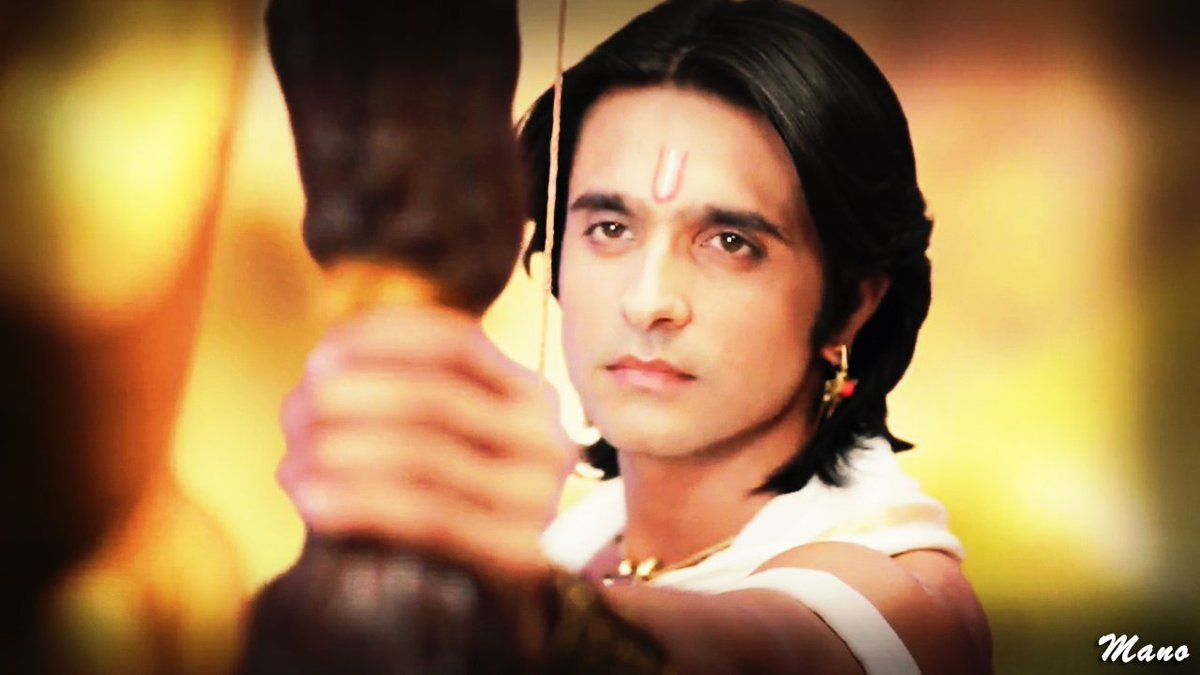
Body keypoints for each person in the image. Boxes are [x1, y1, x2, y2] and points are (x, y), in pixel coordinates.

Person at [276, 0, 992, 672]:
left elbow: (756, 643)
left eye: (730, 242)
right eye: (610, 228)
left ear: (850, 307)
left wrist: (512, 604)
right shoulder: (583, 540)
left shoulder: (901, 604)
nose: (648, 302)